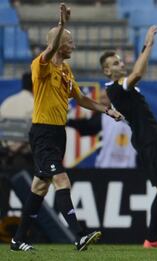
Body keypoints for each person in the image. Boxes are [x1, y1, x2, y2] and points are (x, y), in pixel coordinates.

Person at [10, 3, 123, 252]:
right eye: (70, 42)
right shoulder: (41, 65)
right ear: (60, 43)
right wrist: (62, 25)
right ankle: (78, 234)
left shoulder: (66, 70)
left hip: (57, 133)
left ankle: (18, 240)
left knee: (39, 187)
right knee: (61, 179)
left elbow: (81, 99)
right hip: (43, 132)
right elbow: (49, 50)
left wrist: (107, 109)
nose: (73, 45)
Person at [100, 25, 157, 248]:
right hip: (150, 141)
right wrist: (148, 45)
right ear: (106, 71)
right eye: (113, 63)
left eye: (119, 61)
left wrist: (143, 47)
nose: (119, 64)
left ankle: (151, 239)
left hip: (148, 140)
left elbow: (135, 71)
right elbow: (138, 73)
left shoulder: (118, 87)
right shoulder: (117, 87)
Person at [67, 90, 157, 168]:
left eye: (104, 97)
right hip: (106, 167)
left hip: (128, 168)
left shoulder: (133, 118)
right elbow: (86, 127)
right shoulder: (102, 117)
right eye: (100, 98)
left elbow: (149, 132)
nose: (101, 100)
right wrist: (68, 121)